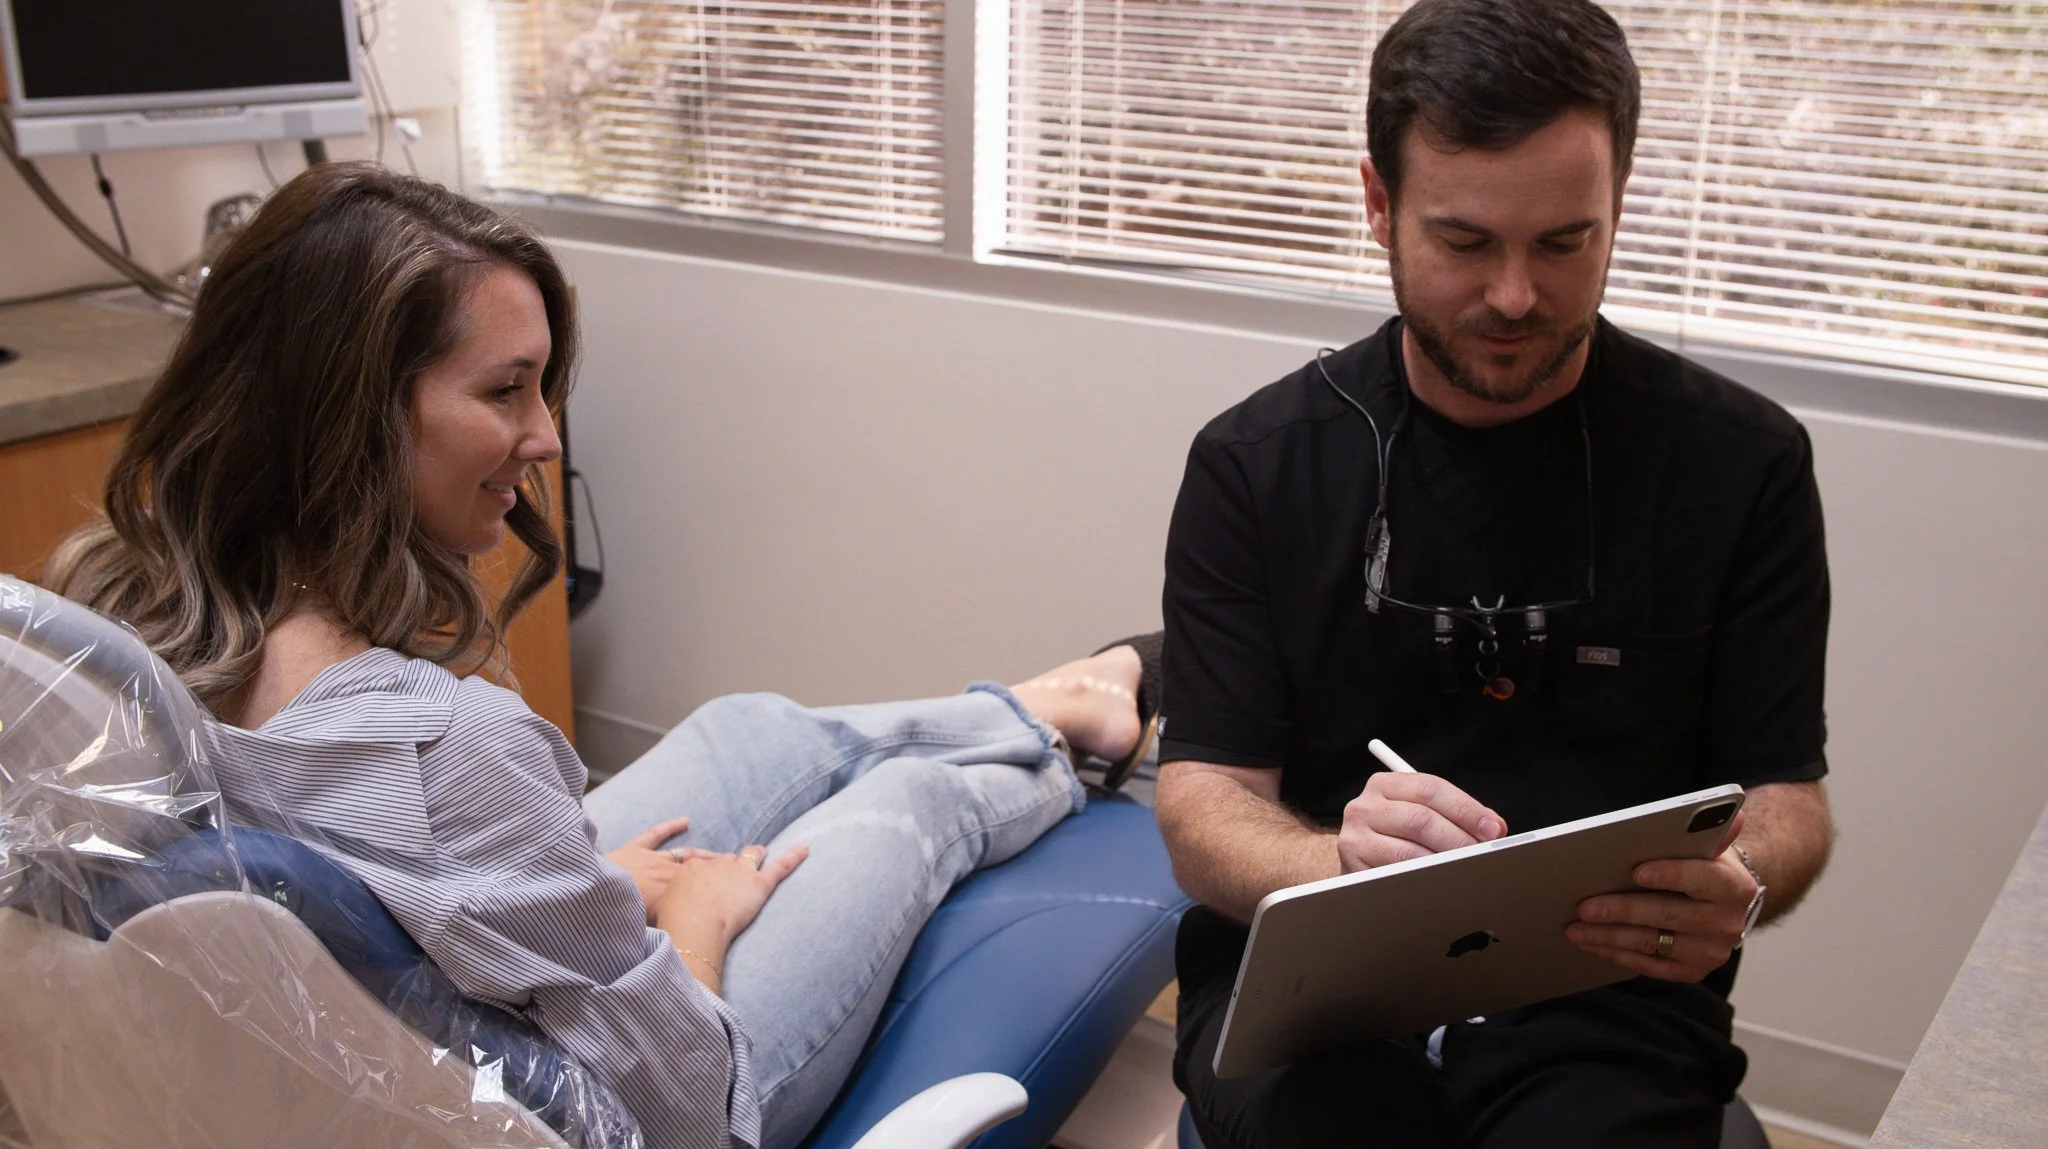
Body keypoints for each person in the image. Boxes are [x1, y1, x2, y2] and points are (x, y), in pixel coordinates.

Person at [44, 162, 1158, 1149]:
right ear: (347, 414)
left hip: (431, 964)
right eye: (502, 389)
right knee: (910, 803)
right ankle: (1061, 752)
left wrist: (525, 911)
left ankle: (1036, 701)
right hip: (638, 1102)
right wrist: (694, 926)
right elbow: (684, 1115)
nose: (542, 437)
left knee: (745, 727)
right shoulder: (443, 749)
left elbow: (333, 911)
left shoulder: (112, 626)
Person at [1153, 2, 1835, 1145]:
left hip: (1598, 1004)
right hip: (1311, 1004)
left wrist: (1744, 881)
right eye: (1465, 242)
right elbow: (1201, 805)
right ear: (1379, 206)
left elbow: (1786, 800)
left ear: (1616, 205)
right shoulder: (1254, 466)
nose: (1516, 297)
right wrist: (1336, 866)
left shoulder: (1740, 465)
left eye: (1565, 243)